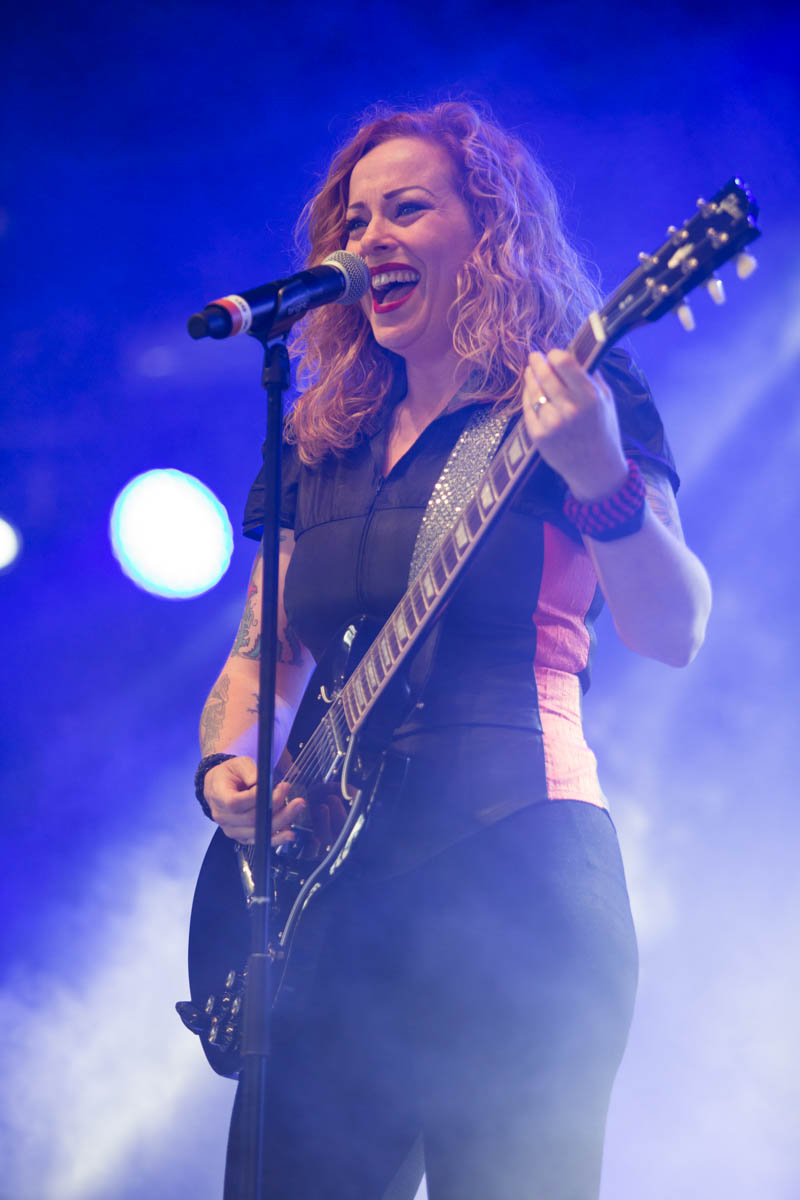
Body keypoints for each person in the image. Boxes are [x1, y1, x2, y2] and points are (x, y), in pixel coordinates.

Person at [195, 101, 712, 1200]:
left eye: (407, 209)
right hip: (326, 909)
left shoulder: (578, 397)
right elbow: (257, 657)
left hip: (515, 867)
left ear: (490, 235)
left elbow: (672, 630)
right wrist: (226, 768)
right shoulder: (317, 440)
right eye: (354, 219)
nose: (370, 237)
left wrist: (598, 473)